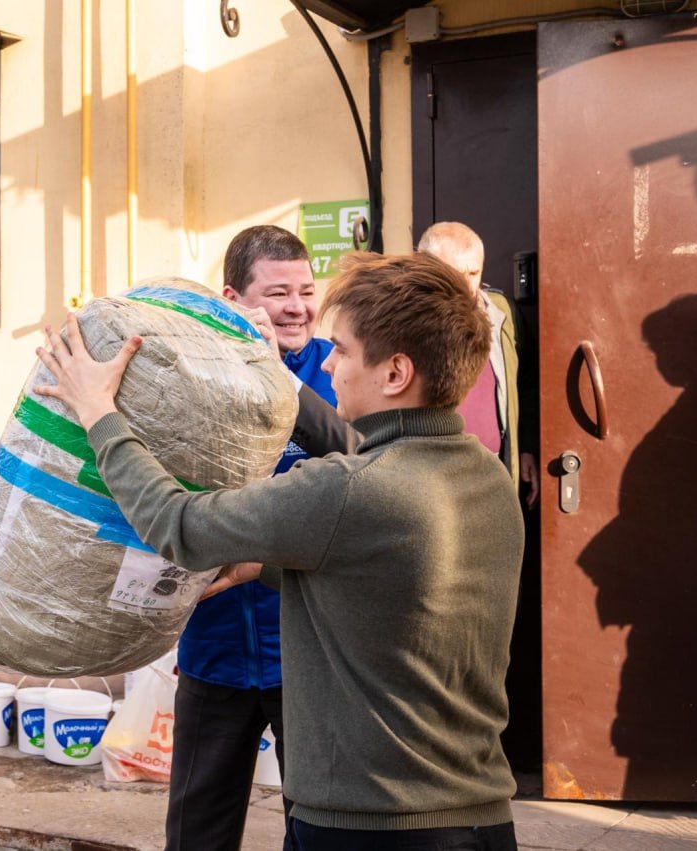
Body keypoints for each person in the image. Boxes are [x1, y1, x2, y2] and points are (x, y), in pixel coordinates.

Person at [36, 252, 522, 851]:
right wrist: (262, 568)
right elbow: (388, 590)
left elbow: (176, 523)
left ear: (395, 373)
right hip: (480, 820)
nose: (330, 365)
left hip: (368, 829)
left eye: (340, 350)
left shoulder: (349, 488)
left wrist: (98, 412)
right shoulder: (488, 479)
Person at [165, 225, 354, 851]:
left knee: (321, 823)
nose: (299, 307)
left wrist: (276, 375)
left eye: (306, 290)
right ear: (233, 299)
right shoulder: (194, 377)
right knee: (198, 826)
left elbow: (362, 462)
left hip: (307, 647)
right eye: (279, 293)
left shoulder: (336, 373)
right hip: (212, 642)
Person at [417, 222, 538, 508]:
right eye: (456, 274)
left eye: (474, 273)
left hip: (494, 471)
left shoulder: (501, 314)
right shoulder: (402, 321)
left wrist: (528, 447)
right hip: (434, 479)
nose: (467, 286)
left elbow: (528, 382)